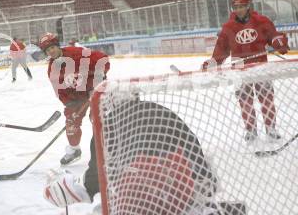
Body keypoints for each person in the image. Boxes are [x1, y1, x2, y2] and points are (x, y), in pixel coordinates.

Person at [43, 99, 245, 215]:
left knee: (101, 204)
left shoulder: (104, 128)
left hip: (138, 196)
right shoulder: (161, 111)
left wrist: (74, 187)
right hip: (181, 187)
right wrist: (205, 183)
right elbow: (195, 151)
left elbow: (97, 178)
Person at [202, 0, 289, 142]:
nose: (239, 10)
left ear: (248, 6)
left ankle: (271, 128)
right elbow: (221, 50)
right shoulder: (228, 27)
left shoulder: (262, 21)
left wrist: (279, 43)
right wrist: (212, 63)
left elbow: (274, 36)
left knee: (266, 98)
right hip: (240, 69)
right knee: (245, 101)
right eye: (236, 7)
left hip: (261, 67)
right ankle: (251, 130)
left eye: (242, 6)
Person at [38, 33, 110, 165]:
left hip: (96, 89)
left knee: (97, 119)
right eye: (48, 50)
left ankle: (105, 148)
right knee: (71, 123)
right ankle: (74, 150)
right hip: (76, 97)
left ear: (57, 46)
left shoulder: (76, 52)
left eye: (52, 47)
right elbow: (60, 92)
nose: (51, 51)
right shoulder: (52, 69)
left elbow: (102, 59)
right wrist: (71, 104)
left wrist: (99, 78)